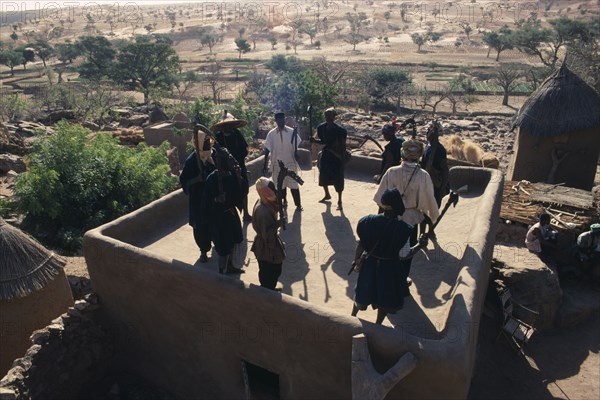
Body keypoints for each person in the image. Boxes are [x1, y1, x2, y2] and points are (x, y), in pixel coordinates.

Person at [351, 189, 428, 324]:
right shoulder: (403, 229)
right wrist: (420, 246)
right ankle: (378, 324)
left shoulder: (367, 221)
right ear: (398, 207)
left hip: (369, 264)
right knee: (384, 298)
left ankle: (352, 317)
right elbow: (404, 255)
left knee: (363, 291)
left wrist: (356, 260)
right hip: (389, 269)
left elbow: (361, 245)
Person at [373, 139, 439, 285]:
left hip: (390, 217)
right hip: (411, 219)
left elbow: (380, 198)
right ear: (419, 155)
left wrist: (380, 220)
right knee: (407, 250)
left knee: (389, 248)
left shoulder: (392, 172)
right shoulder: (423, 175)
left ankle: (386, 277)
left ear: (402, 154)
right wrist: (432, 217)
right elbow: (428, 201)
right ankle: (402, 278)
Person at [203, 146, 245, 274]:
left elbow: (241, 193)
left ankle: (231, 265)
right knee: (222, 246)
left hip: (231, 214)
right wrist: (216, 200)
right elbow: (205, 202)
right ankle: (222, 270)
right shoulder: (211, 179)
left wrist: (239, 178)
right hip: (218, 218)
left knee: (233, 240)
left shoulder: (231, 176)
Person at [179, 126, 216, 263]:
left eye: (208, 141)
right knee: (200, 226)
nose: (208, 144)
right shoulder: (192, 161)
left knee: (214, 222)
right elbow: (184, 181)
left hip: (212, 197)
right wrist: (197, 179)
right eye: (205, 142)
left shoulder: (213, 155)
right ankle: (203, 250)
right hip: (198, 199)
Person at [213, 110, 252, 221]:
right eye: (226, 125)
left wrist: (237, 160)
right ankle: (231, 215)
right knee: (228, 191)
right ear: (222, 126)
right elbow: (215, 154)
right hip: (225, 170)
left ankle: (246, 213)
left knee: (244, 189)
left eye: (230, 125)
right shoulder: (218, 137)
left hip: (239, 166)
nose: (229, 127)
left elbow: (244, 150)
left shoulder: (237, 134)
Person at [251, 177, 286, 290]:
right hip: (267, 245)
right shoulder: (263, 211)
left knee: (268, 269)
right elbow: (267, 234)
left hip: (266, 244)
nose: (275, 191)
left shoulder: (263, 201)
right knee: (271, 269)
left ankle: (269, 288)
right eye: (272, 189)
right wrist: (278, 224)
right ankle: (268, 290)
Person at [263, 111, 302, 211]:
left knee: (294, 184)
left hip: (290, 162)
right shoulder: (271, 134)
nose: (281, 121)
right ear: (276, 121)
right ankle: (284, 201)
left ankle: (298, 205)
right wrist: (265, 164)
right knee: (280, 185)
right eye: (279, 119)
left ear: (284, 119)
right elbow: (267, 150)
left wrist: (297, 154)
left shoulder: (292, 132)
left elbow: (297, 146)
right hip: (277, 163)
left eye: (283, 119)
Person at [310, 107, 348, 210]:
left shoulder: (340, 130)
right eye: (326, 115)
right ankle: (327, 194)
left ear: (334, 117)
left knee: (338, 178)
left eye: (330, 115)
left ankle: (340, 201)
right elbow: (323, 142)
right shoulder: (321, 128)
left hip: (336, 157)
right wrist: (315, 141)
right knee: (323, 175)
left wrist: (343, 160)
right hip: (326, 155)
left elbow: (343, 146)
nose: (328, 117)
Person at [421, 120, 449, 207]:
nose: (427, 134)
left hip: (435, 184)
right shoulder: (428, 147)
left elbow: (445, 170)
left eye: (428, 132)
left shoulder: (439, 150)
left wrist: (442, 188)